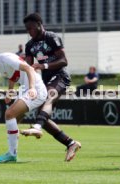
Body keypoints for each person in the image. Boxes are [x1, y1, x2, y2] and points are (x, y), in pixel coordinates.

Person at [20, 13, 81, 162]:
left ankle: (37, 128)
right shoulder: (30, 46)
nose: (30, 31)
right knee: (42, 116)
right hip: (46, 81)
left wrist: (43, 65)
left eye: (32, 28)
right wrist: (26, 85)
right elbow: (29, 68)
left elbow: (64, 60)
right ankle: (71, 143)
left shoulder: (52, 37)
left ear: (40, 24)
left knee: (46, 101)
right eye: (27, 29)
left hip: (61, 77)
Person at [0, 42, 47, 163]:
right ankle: (35, 131)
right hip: (25, 88)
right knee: (14, 122)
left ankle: (12, 154)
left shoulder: (6, 58)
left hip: (35, 89)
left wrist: (32, 88)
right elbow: (13, 75)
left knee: (9, 114)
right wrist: (10, 92)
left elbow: (28, 68)